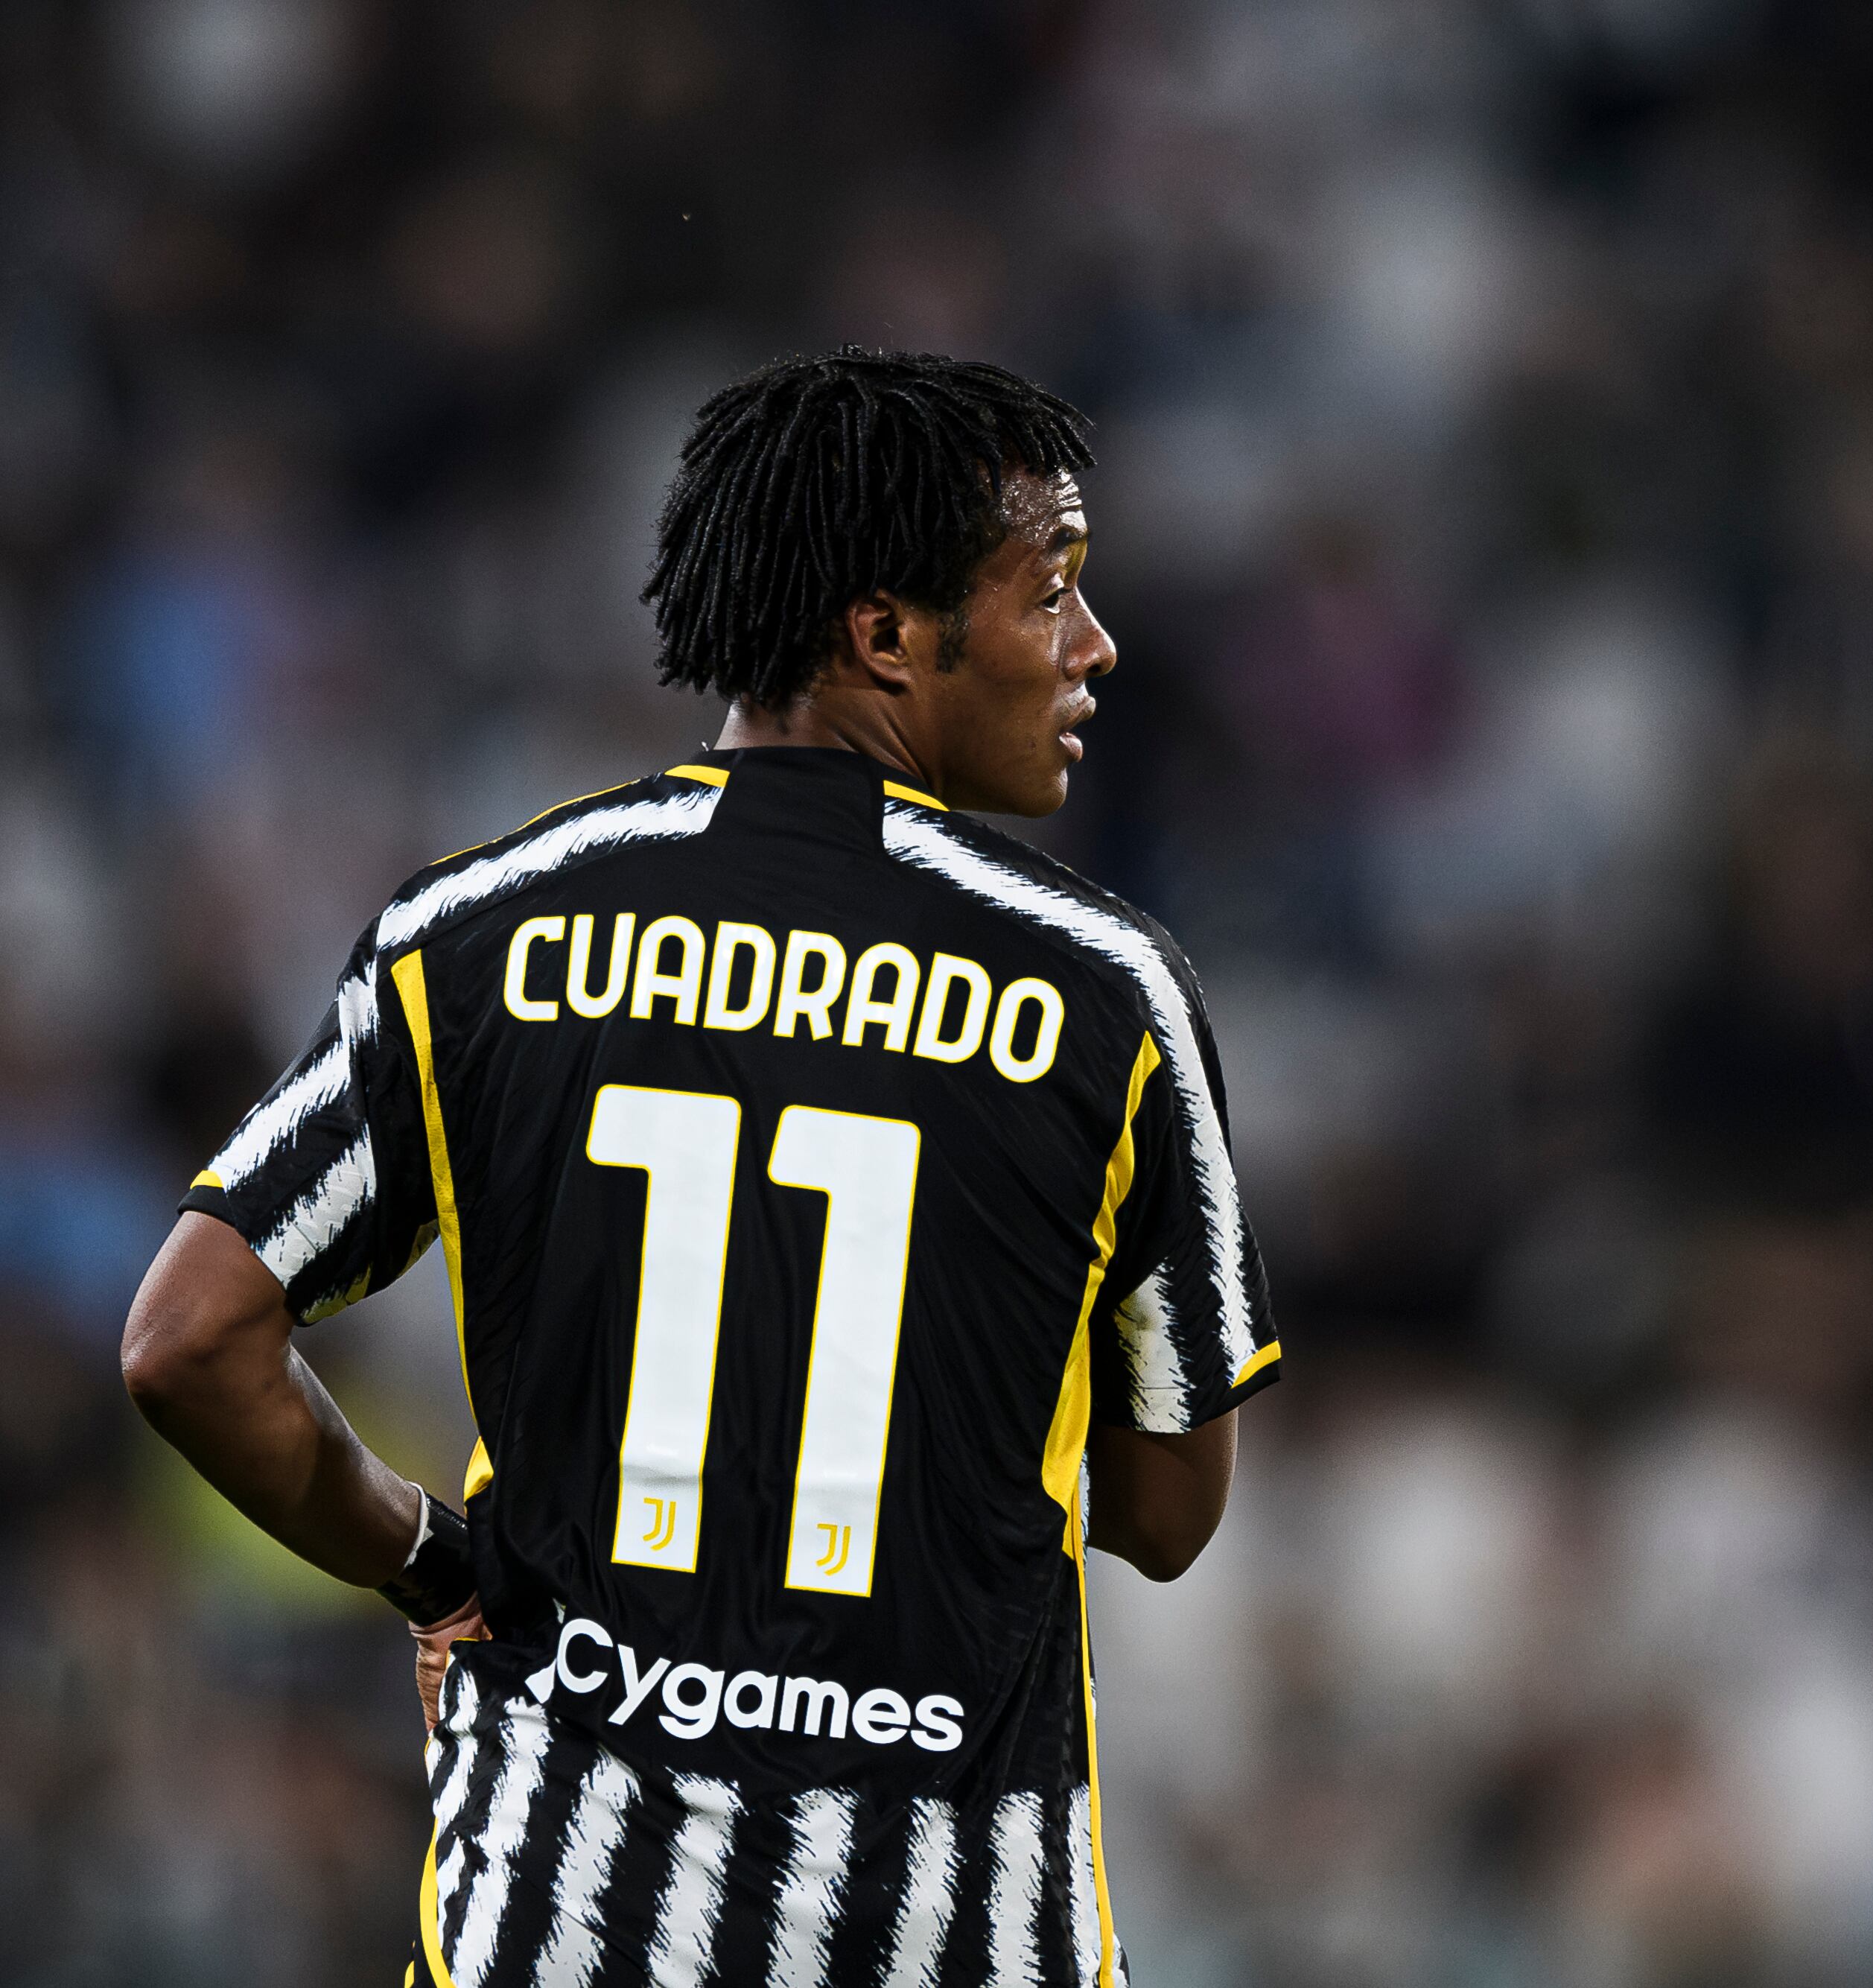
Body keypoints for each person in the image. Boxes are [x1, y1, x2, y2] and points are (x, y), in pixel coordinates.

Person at [119, 347, 1280, 1988]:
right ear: (884, 632)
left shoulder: (481, 932)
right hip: (954, 1936)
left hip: (561, 1927)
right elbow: (1166, 1511)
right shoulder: (1102, 992)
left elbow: (187, 1341)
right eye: (1053, 594)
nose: (1095, 647)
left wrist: (434, 1568)